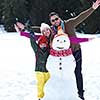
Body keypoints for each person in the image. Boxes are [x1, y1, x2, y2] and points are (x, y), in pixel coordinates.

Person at [48, 0, 100, 100]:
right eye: (53, 21)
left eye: (56, 19)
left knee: (77, 72)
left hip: (75, 52)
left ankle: (80, 93)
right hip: (64, 56)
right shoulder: (51, 30)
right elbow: (40, 29)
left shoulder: (69, 24)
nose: (55, 21)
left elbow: (80, 17)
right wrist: (25, 29)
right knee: (64, 75)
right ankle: (67, 93)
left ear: (59, 18)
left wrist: (92, 8)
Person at [15, 23, 52, 100]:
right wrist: (29, 30)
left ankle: (48, 96)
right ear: (39, 44)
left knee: (48, 84)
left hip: (48, 71)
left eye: (44, 44)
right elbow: (32, 40)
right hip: (39, 70)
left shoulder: (49, 49)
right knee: (40, 84)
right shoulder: (37, 50)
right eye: (41, 43)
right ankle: (40, 97)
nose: (43, 45)